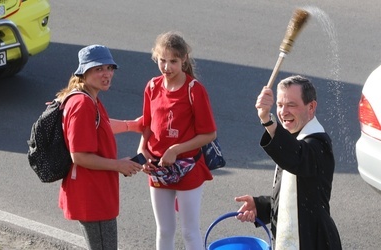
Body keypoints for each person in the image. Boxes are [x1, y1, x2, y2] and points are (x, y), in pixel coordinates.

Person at [235, 75, 342, 250]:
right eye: (279, 105)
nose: (283, 112)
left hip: (314, 241)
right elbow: (295, 197)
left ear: (311, 107)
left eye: (291, 105)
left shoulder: (318, 143)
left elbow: (297, 158)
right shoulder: (293, 136)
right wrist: (260, 206)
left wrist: (268, 121)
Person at [57, 44, 144, 250]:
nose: (106, 74)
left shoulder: (87, 97)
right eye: (98, 69)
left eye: (109, 68)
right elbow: (79, 156)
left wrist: (132, 125)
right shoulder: (82, 104)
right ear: (83, 72)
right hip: (92, 194)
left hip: (94, 191)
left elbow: (100, 125)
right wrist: (118, 165)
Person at [138, 31, 216, 250]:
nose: (167, 67)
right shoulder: (152, 87)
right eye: (162, 60)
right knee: (164, 230)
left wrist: (175, 149)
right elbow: (147, 124)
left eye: (173, 61)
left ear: (184, 60)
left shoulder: (194, 90)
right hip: (157, 168)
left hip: (188, 167)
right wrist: (142, 148)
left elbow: (209, 134)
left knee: (190, 232)